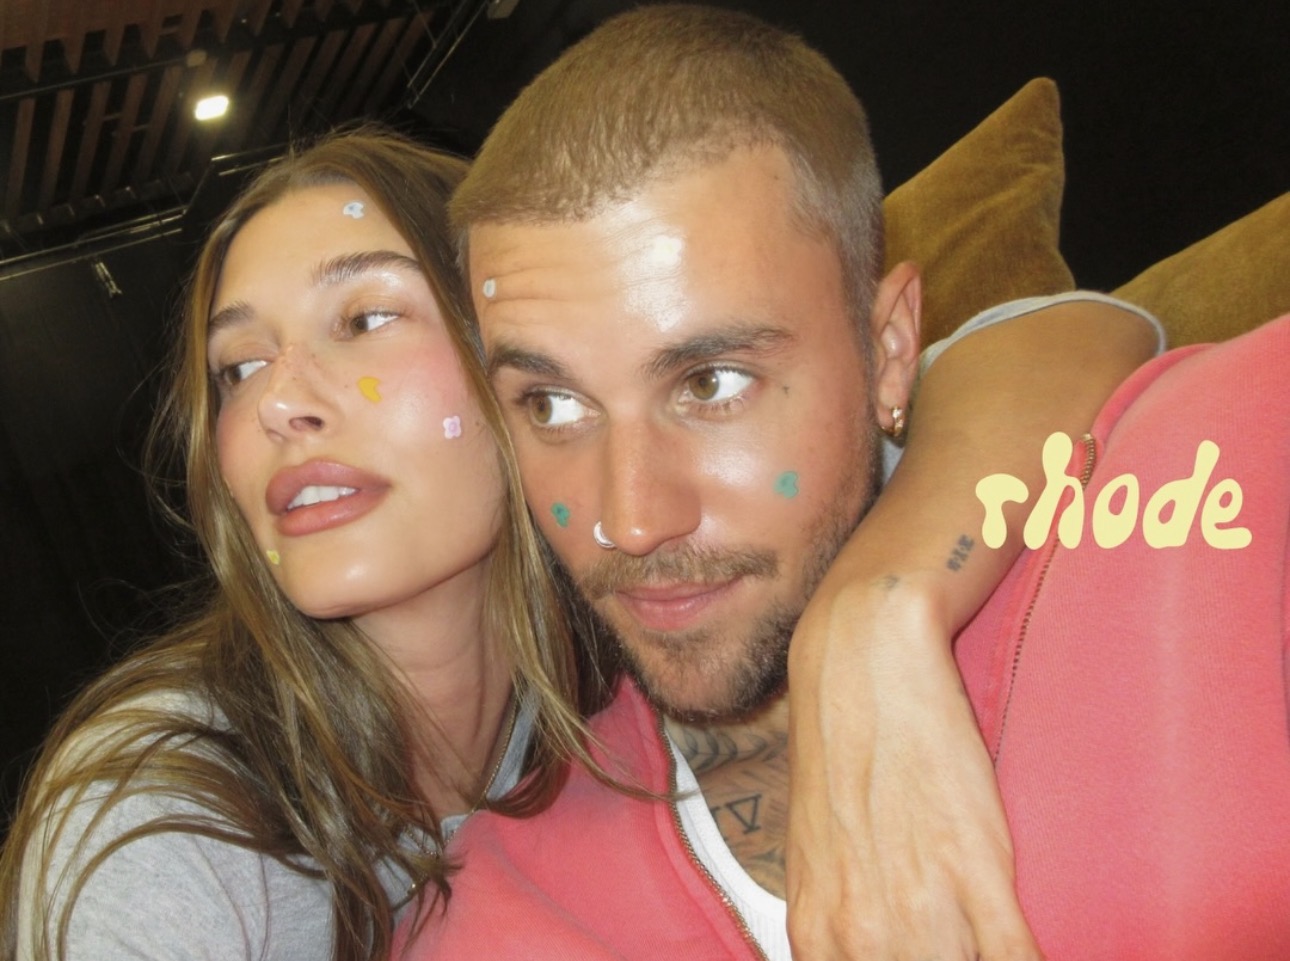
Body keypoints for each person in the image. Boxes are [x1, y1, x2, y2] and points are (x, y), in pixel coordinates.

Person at [398, 5, 1289, 960]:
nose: (632, 519)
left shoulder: (1216, 519)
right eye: (552, 405)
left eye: (711, 383)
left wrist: (881, 609)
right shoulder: (489, 912)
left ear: (890, 347)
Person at [0, 131, 599, 961]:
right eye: (238, 367)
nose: (276, 402)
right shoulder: (164, 834)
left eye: (366, 318)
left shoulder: (620, 695)